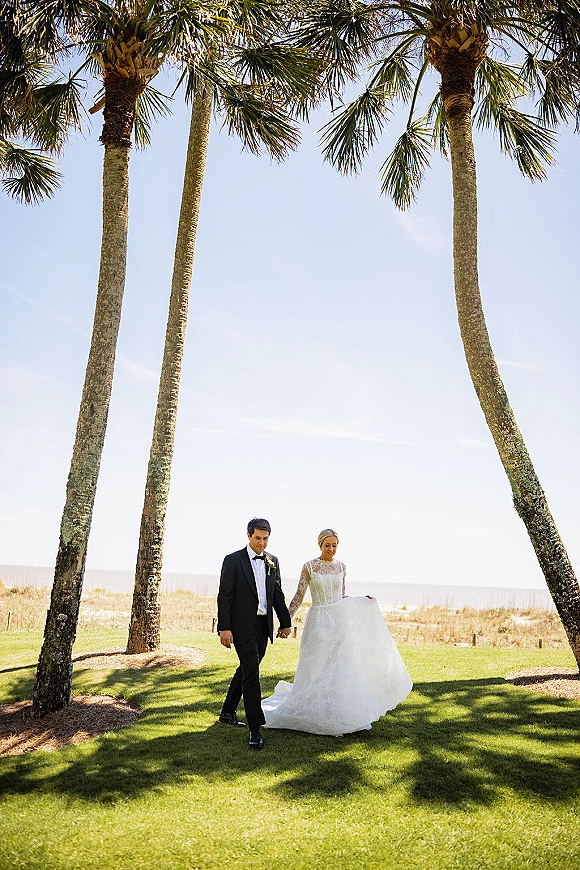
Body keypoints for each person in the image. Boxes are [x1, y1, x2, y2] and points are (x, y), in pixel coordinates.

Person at [262, 529, 412, 736]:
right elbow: (299, 595)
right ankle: (310, 705)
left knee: (337, 664)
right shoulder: (309, 567)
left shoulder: (341, 567)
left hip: (337, 621)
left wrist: (361, 601)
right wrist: (284, 621)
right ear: (320, 545)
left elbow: (340, 596)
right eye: (327, 545)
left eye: (334, 545)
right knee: (315, 663)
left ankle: (334, 707)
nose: (331, 549)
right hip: (318, 620)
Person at [217, 517, 292, 749]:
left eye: (265, 539)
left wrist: (285, 622)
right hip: (241, 627)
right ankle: (255, 728)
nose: (261, 543)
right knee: (252, 673)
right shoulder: (233, 561)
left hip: (263, 626)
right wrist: (224, 628)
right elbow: (225, 596)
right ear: (248, 536)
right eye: (258, 538)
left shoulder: (273, 561)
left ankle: (227, 711)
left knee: (248, 669)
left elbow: (276, 594)